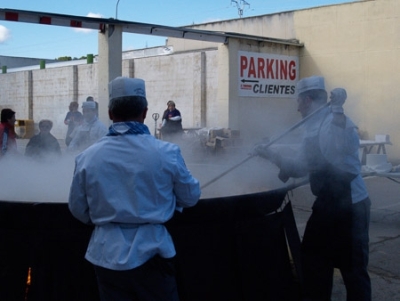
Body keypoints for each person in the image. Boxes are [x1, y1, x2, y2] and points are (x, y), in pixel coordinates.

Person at [68, 76, 201, 301]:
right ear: (145, 112)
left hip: (105, 253)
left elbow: (78, 208)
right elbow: (190, 197)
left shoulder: (87, 157)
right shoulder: (167, 152)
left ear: (110, 114)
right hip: (154, 253)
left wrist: (108, 220)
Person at [252, 76, 371, 301]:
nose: (296, 107)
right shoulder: (312, 127)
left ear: (307, 100)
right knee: (313, 261)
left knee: (353, 271)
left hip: (351, 207)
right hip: (327, 205)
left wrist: (337, 110)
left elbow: (338, 149)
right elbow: (299, 167)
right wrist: (269, 154)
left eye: (298, 101)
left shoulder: (338, 122)